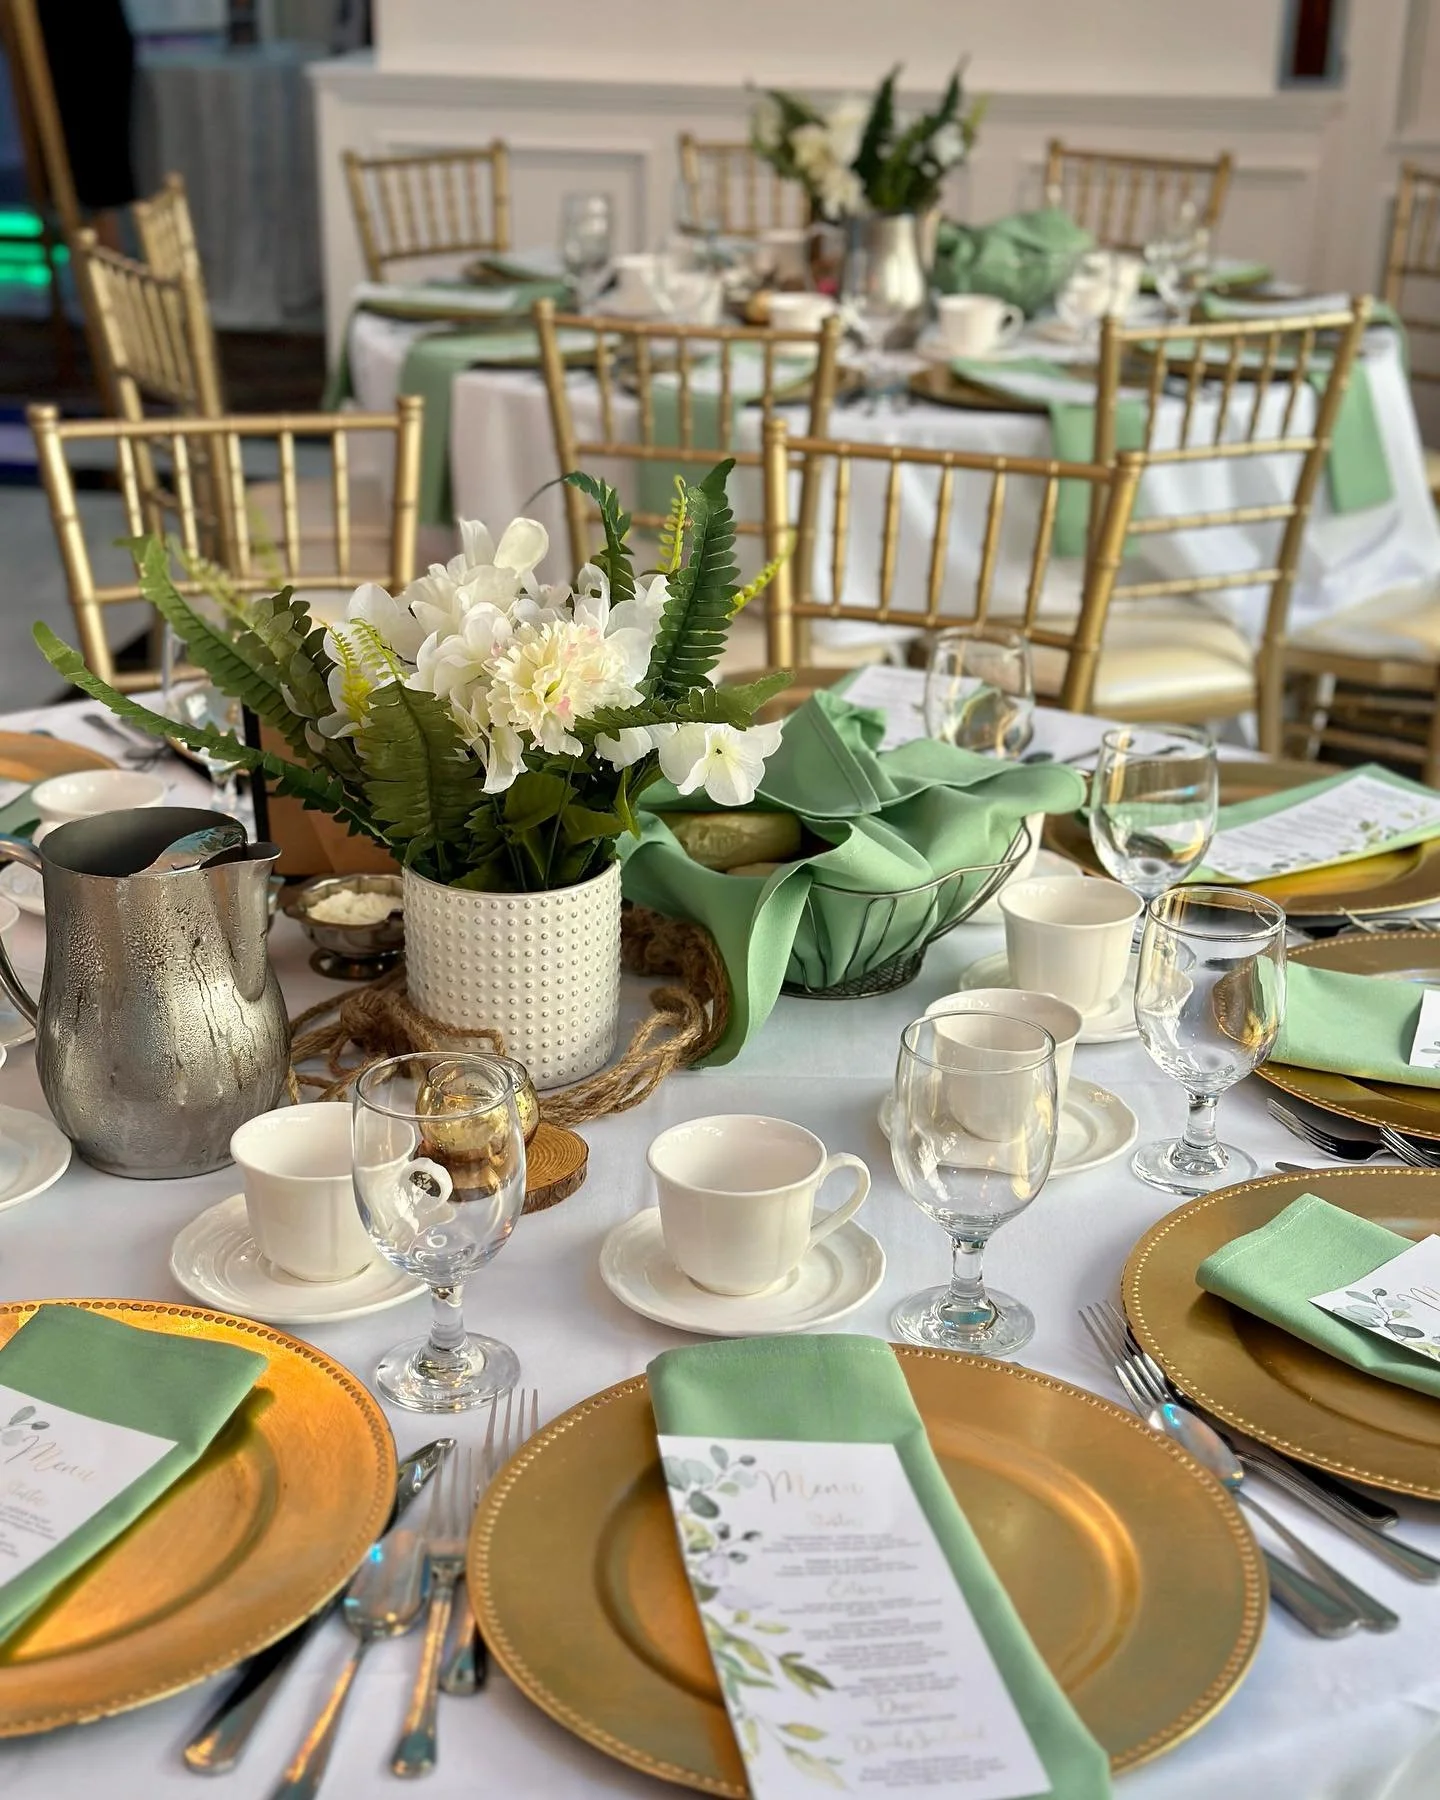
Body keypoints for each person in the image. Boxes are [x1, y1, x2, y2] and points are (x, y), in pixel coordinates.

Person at [35, 0, 137, 250]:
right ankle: (103, 264)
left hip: (88, 41)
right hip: (70, 42)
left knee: (99, 178)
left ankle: (106, 265)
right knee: (90, 179)